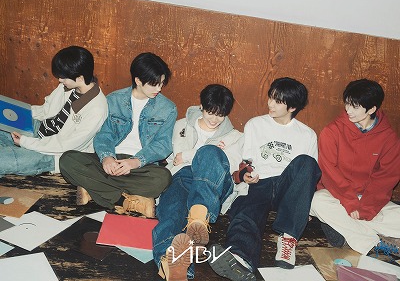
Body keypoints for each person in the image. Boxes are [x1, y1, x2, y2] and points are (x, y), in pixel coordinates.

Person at [209, 77, 321, 281]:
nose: (270, 104)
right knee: (247, 210)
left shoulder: (307, 135)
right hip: (260, 181)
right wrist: (245, 174)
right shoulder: (255, 124)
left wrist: (304, 205)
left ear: (292, 107)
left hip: (287, 187)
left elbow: (308, 175)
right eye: (271, 98)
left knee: (307, 162)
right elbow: (246, 160)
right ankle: (239, 258)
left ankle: (288, 239)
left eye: (278, 101)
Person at [60, 52, 177, 218]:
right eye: (154, 84)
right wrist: (107, 157)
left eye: (162, 83)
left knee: (163, 178)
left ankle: (94, 190)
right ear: (138, 80)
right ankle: (126, 200)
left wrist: (136, 161)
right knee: (67, 160)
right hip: (112, 160)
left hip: (141, 167)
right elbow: (104, 134)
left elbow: (163, 145)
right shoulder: (114, 100)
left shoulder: (168, 108)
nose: (159, 88)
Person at [152, 84, 244, 281]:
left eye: (220, 115)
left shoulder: (235, 137)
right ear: (201, 106)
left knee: (211, 153)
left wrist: (188, 155)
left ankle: (198, 218)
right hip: (183, 176)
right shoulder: (181, 126)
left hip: (216, 182)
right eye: (210, 112)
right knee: (171, 212)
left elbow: (231, 164)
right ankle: (169, 264)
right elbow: (173, 159)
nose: (214, 119)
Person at [310, 79, 400, 257]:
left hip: (370, 200)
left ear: (372, 109)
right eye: (347, 104)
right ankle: (373, 243)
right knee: (316, 202)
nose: (348, 110)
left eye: (355, 106)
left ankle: (347, 230)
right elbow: (329, 172)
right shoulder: (332, 131)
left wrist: (366, 208)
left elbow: (387, 177)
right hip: (336, 196)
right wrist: (350, 203)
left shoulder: (388, 137)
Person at [0, 45, 108, 177]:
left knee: (3, 161)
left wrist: (25, 142)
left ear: (80, 78)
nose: (60, 80)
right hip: (39, 129)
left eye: (63, 77)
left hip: (54, 152)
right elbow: (46, 110)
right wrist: (21, 114)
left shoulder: (97, 109)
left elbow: (65, 145)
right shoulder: (68, 86)